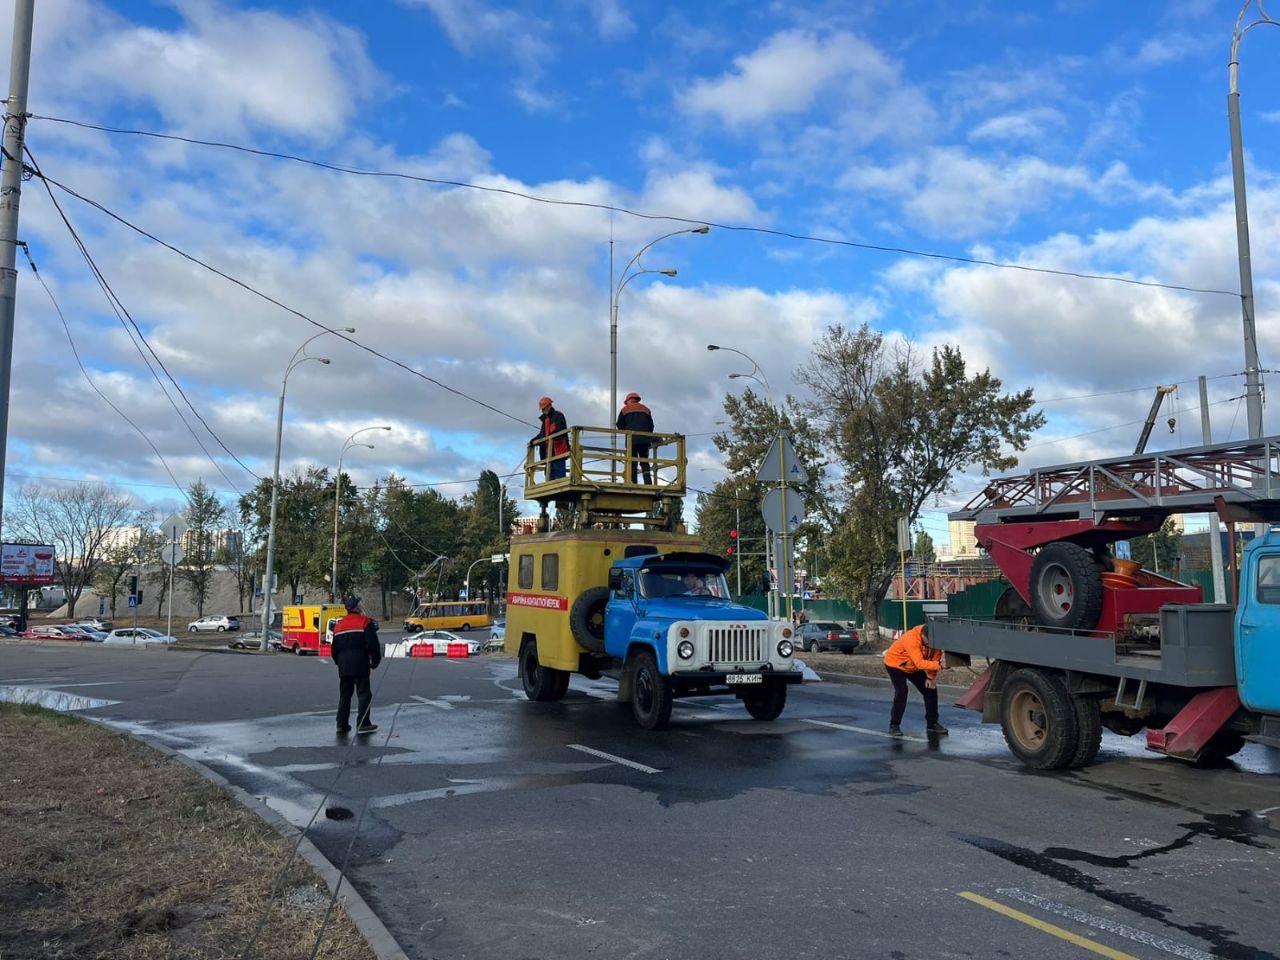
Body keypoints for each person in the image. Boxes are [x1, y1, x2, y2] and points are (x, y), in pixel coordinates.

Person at [882, 622, 948, 737]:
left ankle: (932, 723)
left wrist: (931, 677)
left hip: (913, 667)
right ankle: (894, 725)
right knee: (902, 691)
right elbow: (920, 663)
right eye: (928, 641)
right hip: (895, 664)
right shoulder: (911, 638)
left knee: (930, 689)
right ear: (922, 635)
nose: (930, 645)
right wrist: (941, 665)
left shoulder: (935, 640)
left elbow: (935, 658)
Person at [332, 596, 382, 735]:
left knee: (345, 695)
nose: (361, 605)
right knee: (364, 693)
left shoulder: (339, 626)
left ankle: (341, 724)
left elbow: (334, 649)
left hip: (343, 665)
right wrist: (375, 661)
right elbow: (373, 644)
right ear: (356, 607)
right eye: (359, 603)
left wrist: (339, 663)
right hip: (360, 663)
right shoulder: (365, 622)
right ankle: (363, 723)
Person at [616, 391, 654, 484]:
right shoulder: (646, 409)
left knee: (632, 462)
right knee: (644, 461)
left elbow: (620, 425)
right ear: (637, 400)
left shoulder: (625, 410)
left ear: (629, 400)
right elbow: (651, 426)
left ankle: (633, 482)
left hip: (631, 441)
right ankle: (648, 483)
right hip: (645, 440)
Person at [533, 396, 569, 480]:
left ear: (549, 406)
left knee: (559, 477)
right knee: (549, 476)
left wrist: (551, 436)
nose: (542, 411)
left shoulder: (558, 416)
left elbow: (561, 430)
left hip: (558, 452)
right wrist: (534, 440)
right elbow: (542, 434)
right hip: (548, 454)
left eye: (544, 408)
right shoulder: (545, 420)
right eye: (542, 409)